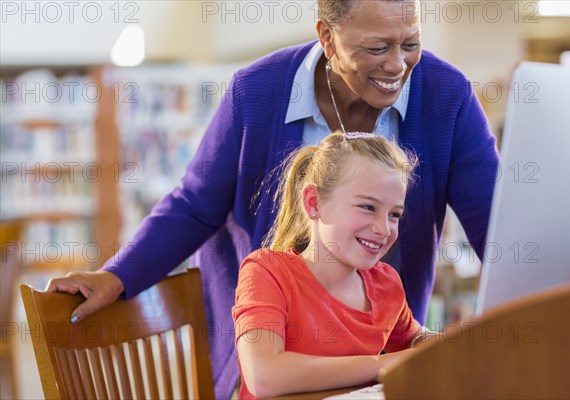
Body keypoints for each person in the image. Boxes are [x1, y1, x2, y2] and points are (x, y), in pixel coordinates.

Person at [46, 1, 499, 398]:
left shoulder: (446, 95)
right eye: (377, 48)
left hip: (380, 357)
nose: (398, 65)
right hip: (273, 350)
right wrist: (118, 275)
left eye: (411, 44)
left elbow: (495, 224)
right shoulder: (256, 92)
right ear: (327, 36)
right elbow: (193, 206)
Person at [233, 131, 435, 399]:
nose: (383, 228)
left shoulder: (385, 282)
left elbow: (415, 339)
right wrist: (380, 365)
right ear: (313, 203)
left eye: (394, 215)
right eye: (367, 207)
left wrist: (450, 343)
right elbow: (264, 376)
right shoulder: (266, 272)